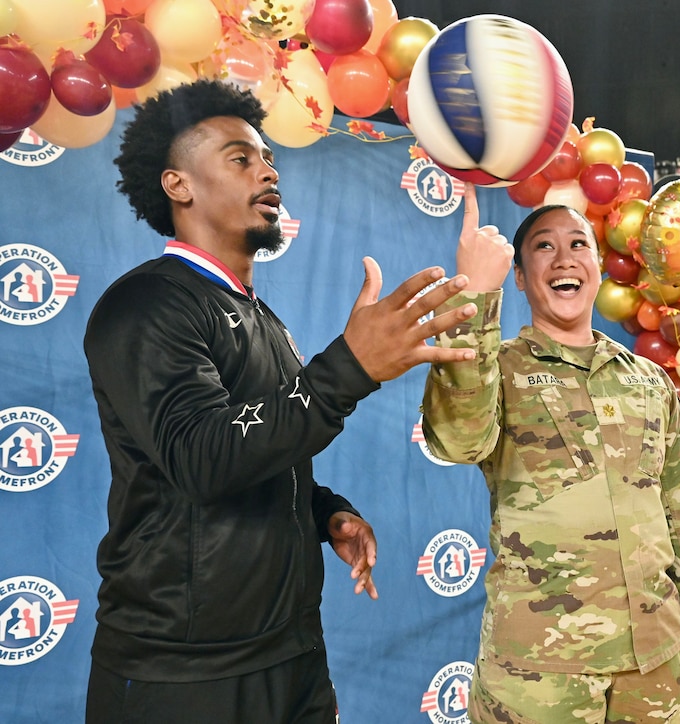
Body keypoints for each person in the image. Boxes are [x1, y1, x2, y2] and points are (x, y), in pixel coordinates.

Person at [82, 79, 479, 723]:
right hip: (184, 678)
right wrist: (351, 366)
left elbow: (255, 444)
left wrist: (323, 513)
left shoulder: (258, 316)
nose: (268, 171)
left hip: (290, 658)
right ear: (177, 185)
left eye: (268, 158)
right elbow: (202, 459)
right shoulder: (146, 305)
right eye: (240, 158)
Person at [421, 187, 680, 723]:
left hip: (652, 663)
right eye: (543, 247)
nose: (564, 258)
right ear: (518, 275)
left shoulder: (648, 381)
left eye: (578, 244)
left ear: (597, 265)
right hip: (539, 675)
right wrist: (473, 296)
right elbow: (458, 440)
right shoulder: (499, 367)